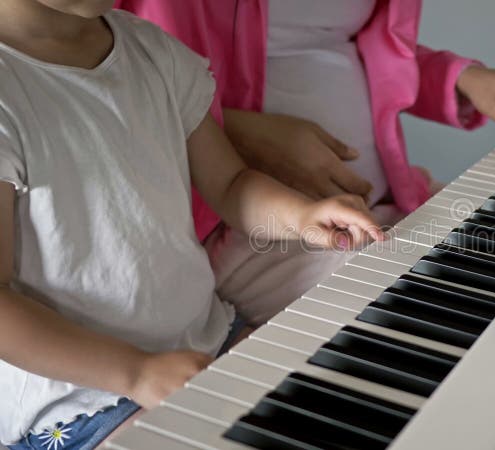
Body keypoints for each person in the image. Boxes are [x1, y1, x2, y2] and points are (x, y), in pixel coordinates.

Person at [0, 0, 385, 448]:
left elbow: (232, 184)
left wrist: (301, 215)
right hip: (82, 401)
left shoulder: (151, 51)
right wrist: (136, 371)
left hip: (203, 341)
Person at [115, 0, 495, 325]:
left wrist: (461, 80)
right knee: (444, 312)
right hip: (252, 229)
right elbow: (98, 83)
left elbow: (351, 50)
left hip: (384, 202)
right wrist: (244, 132)